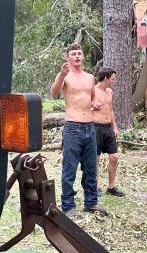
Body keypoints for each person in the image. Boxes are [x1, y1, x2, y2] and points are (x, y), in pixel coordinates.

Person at [49, 43, 107, 217]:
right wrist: (61, 75)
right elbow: (53, 93)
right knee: (69, 168)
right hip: (73, 127)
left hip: (90, 127)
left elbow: (92, 99)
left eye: (79, 53)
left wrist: (95, 104)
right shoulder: (65, 76)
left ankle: (91, 202)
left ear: (82, 56)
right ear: (68, 57)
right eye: (73, 54)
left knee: (91, 168)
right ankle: (68, 206)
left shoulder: (90, 77)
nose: (77, 56)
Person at [93, 68, 124, 197]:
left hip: (108, 129)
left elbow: (110, 110)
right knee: (96, 159)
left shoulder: (110, 91)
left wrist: (115, 127)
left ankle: (111, 187)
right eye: (113, 78)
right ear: (106, 78)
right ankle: (96, 186)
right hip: (95, 128)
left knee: (114, 157)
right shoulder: (93, 91)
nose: (114, 81)